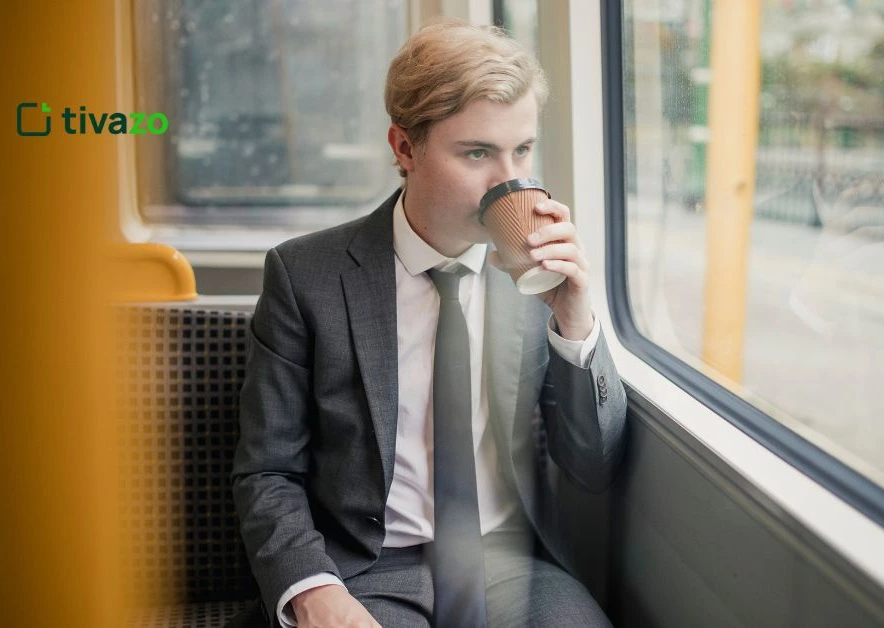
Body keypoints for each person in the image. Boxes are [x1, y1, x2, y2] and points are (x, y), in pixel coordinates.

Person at [230, 19, 627, 628]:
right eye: (477, 153)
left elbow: (591, 463)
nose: (510, 180)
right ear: (405, 148)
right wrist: (313, 591)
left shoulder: (539, 275)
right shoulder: (304, 275)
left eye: (522, 150)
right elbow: (268, 470)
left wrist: (576, 320)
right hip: (366, 566)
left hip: (510, 560)